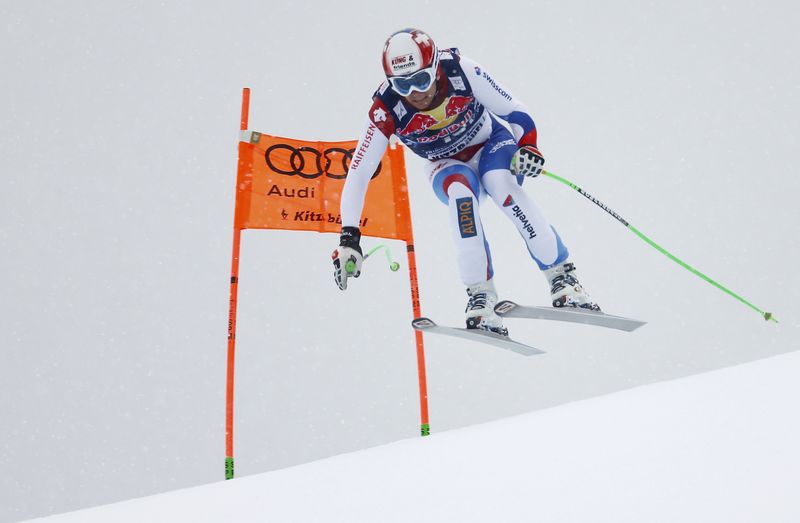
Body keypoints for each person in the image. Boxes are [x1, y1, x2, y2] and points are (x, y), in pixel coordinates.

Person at [332, 28, 599, 336]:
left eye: (421, 80)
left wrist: (528, 144)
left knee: (500, 182)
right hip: (444, 164)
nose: (415, 92)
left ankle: (562, 278)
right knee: (461, 196)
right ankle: (480, 297)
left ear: (434, 67)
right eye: (402, 85)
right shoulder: (385, 109)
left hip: (491, 145)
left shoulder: (460, 70)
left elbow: (515, 110)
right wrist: (349, 237)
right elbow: (359, 172)